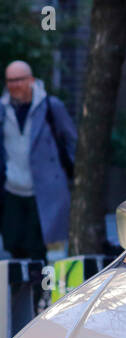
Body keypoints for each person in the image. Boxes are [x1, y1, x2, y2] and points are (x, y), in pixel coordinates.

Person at [0, 60, 76, 262]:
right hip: (13, 191)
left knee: (45, 249)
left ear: (31, 80)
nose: (15, 85)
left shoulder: (51, 106)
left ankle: (47, 292)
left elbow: (70, 140)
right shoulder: (2, 109)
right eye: (10, 80)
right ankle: (22, 293)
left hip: (46, 191)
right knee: (15, 249)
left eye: (19, 80)